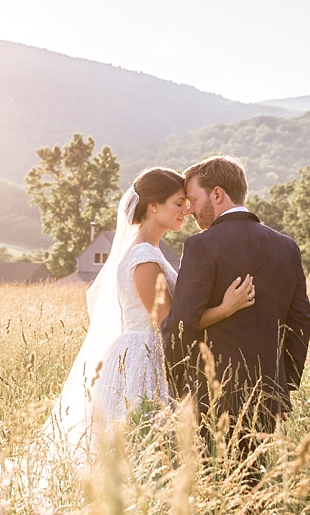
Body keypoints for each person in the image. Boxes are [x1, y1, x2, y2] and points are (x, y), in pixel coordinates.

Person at [44, 167, 255, 459]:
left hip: (153, 351)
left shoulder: (151, 251)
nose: (187, 210)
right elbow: (167, 322)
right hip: (143, 358)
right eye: (178, 203)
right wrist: (225, 309)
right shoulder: (143, 257)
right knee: (143, 445)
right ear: (153, 206)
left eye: (187, 202)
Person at [161, 155, 310, 484]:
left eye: (194, 200)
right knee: (251, 484)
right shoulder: (287, 246)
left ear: (217, 195)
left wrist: (174, 384)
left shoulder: (202, 245)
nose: (189, 210)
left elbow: (181, 323)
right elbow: (301, 323)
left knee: (213, 484)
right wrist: (283, 388)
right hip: (267, 393)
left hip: (211, 392)